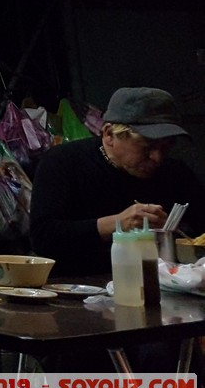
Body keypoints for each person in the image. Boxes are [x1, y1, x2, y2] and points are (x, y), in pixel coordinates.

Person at [31, 86, 205, 277]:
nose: (157, 158)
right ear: (109, 134)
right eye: (147, 146)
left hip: (160, 283)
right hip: (79, 284)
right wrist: (117, 224)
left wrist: (174, 231)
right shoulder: (64, 162)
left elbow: (199, 228)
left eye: (166, 148)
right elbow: (43, 238)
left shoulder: (175, 173)